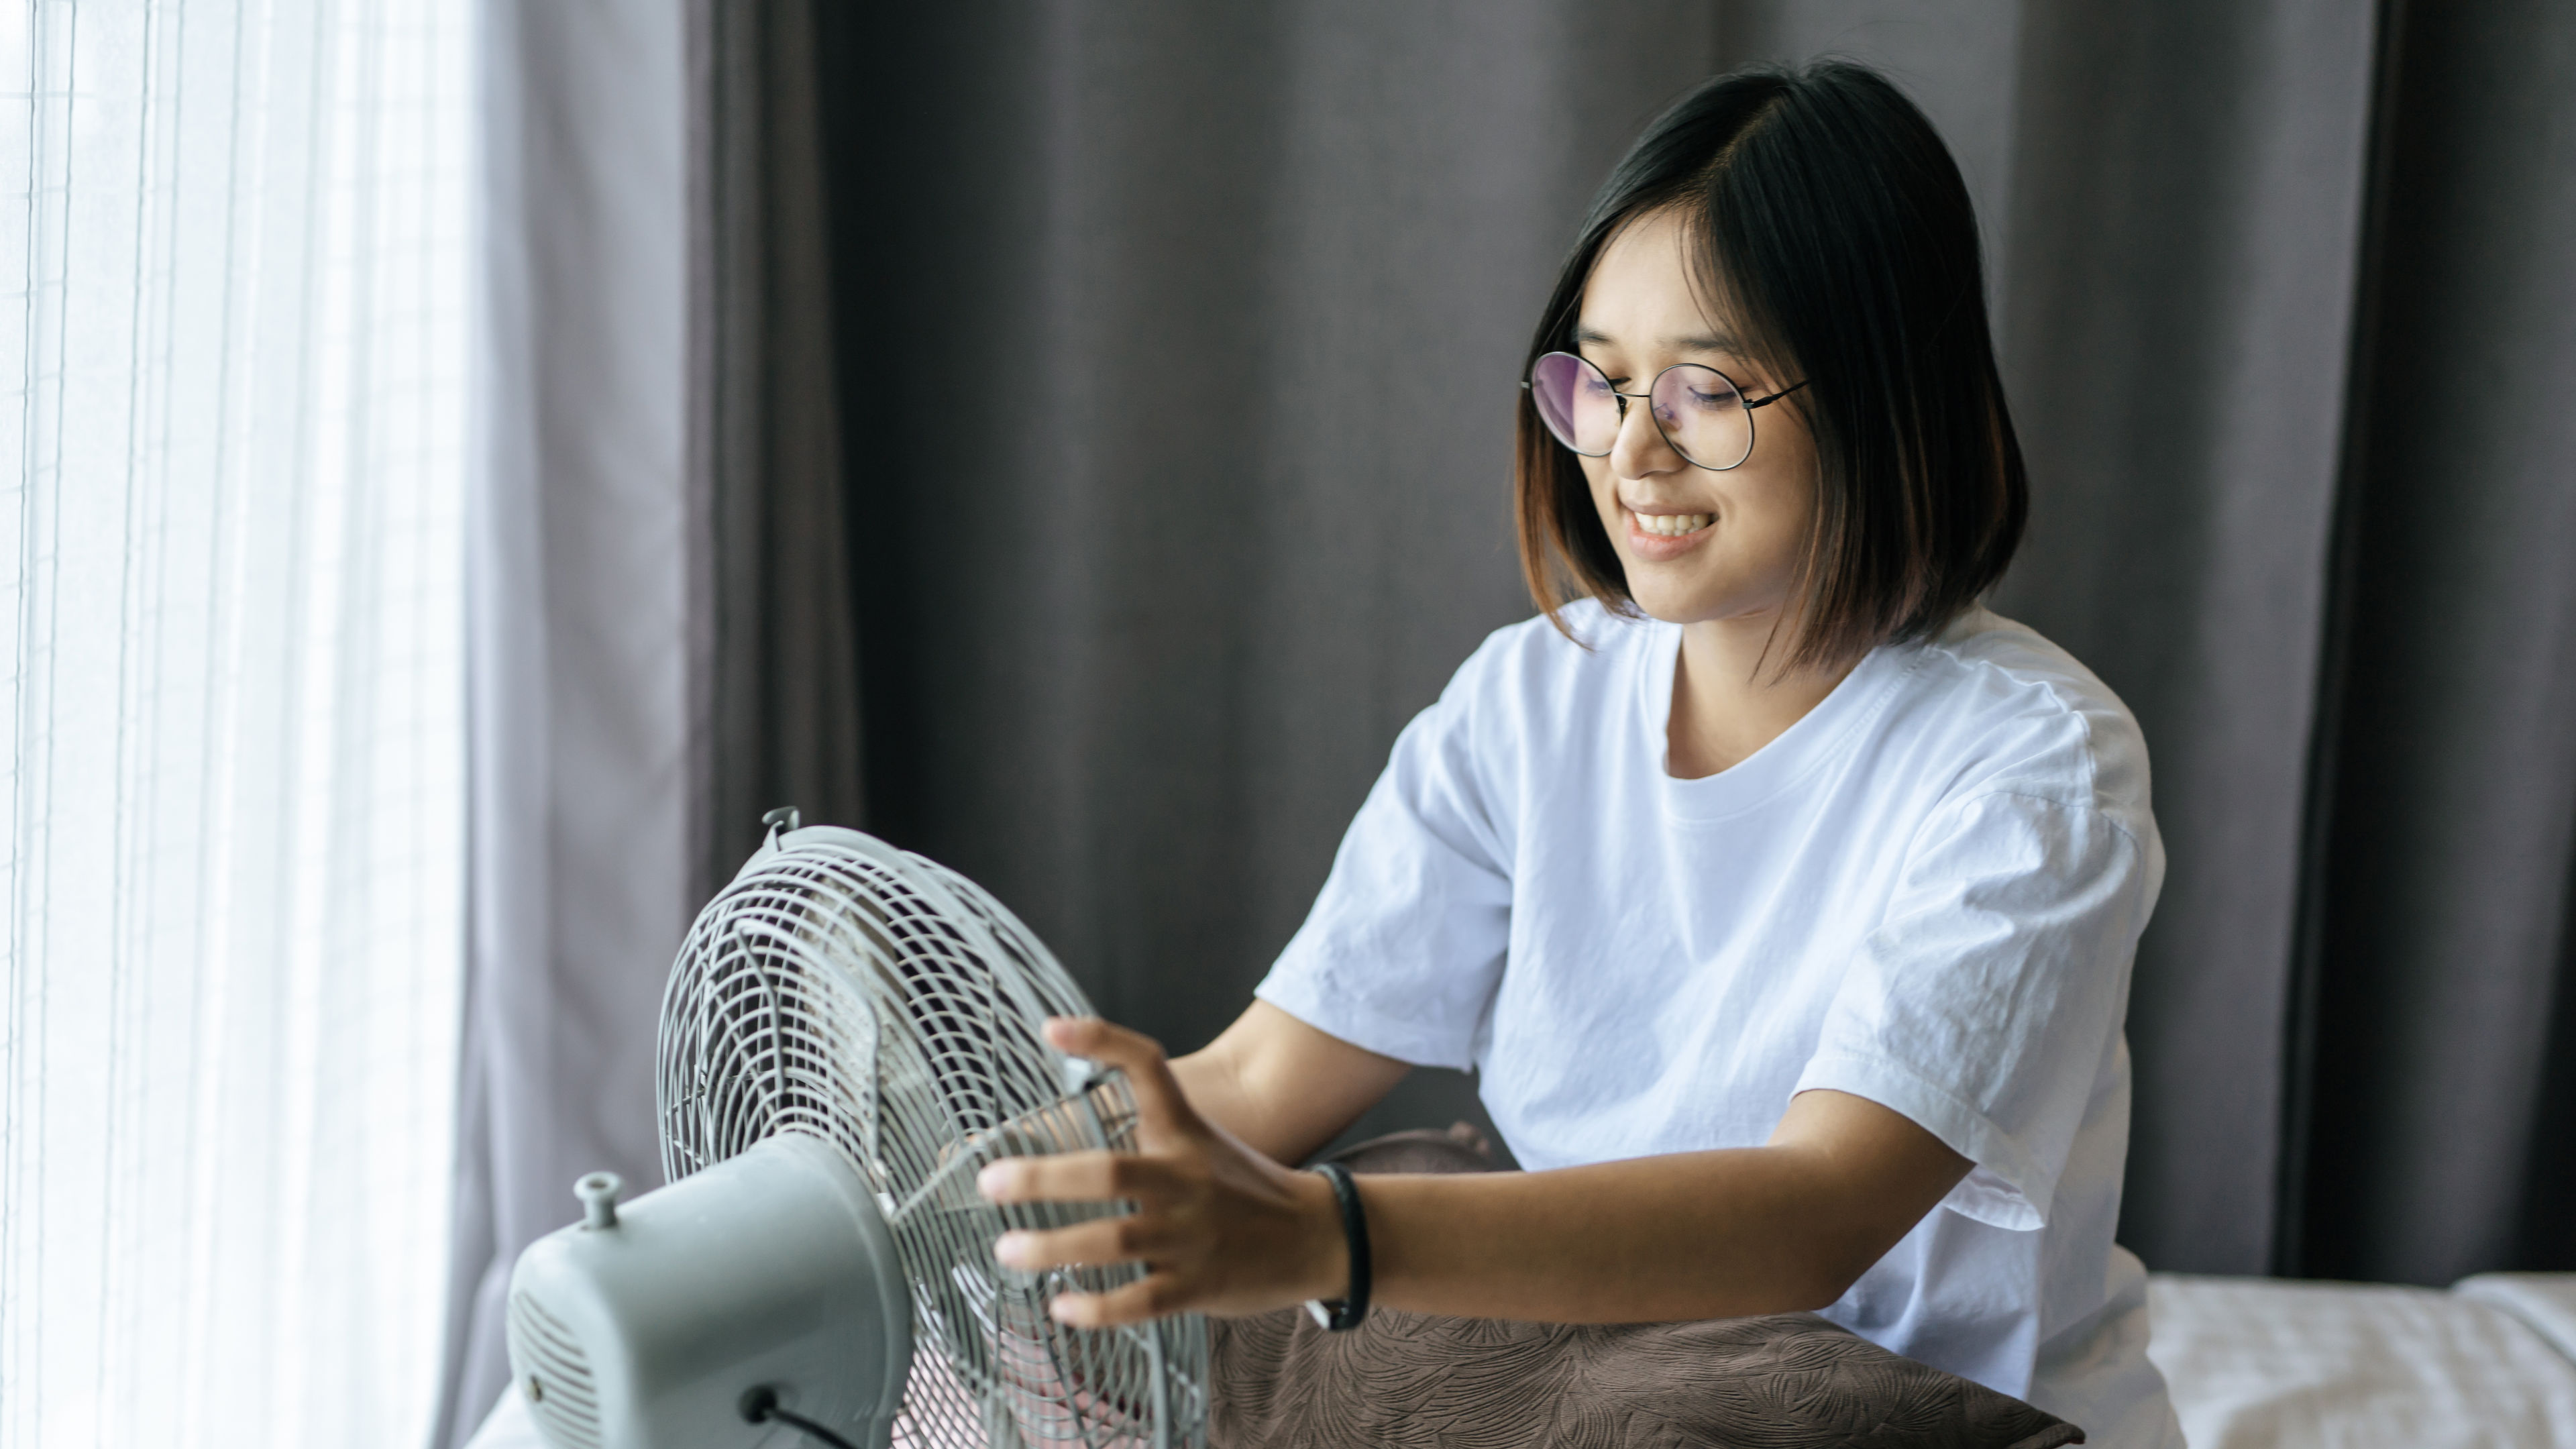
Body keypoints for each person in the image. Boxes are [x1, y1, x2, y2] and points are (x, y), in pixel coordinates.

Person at [977, 59, 2182, 1448]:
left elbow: (1814, 1215)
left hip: (1902, 1415)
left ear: (1880, 393)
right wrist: (961, 1197)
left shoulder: (2035, 767)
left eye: (1705, 393)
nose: (1629, 455)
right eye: (1600, 385)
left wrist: (1333, 1237)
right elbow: (1257, 1088)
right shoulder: (1529, 702)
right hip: (1586, 1390)